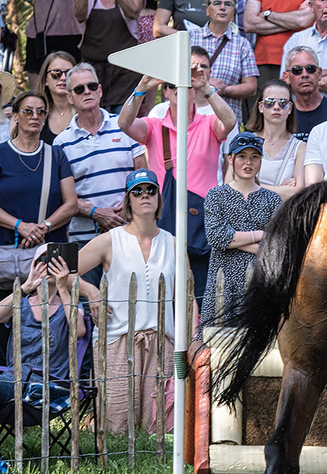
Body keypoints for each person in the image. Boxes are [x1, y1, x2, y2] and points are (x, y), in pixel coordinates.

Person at [119, 49, 238, 297]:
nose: (179, 89)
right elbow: (124, 123)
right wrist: (142, 86)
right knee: (165, 289)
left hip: (203, 218)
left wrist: (205, 87)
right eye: (173, 85)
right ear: (165, 91)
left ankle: (199, 336)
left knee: (203, 291)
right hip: (165, 216)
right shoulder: (155, 125)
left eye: (185, 85)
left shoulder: (207, 122)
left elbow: (229, 122)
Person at [76, 169, 181, 437]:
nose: (144, 195)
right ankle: (94, 422)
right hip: (117, 339)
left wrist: (190, 340)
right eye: (137, 191)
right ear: (128, 201)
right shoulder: (111, 240)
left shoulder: (174, 243)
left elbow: (186, 298)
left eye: (151, 190)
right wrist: (89, 290)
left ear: (159, 197)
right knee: (115, 427)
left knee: (158, 427)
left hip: (162, 340)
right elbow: (61, 270)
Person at [55, 62, 148, 284]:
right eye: (79, 89)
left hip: (129, 229)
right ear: (70, 97)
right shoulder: (61, 143)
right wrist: (96, 212)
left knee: (131, 303)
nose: (86, 92)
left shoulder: (125, 126)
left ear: (100, 90)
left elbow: (143, 173)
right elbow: (62, 196)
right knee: (91, 307)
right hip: (85, 239)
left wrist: (128, 206)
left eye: (91, 86)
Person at [0, 91, 78, 290]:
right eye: (27, 111)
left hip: (52, 253)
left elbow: (71, 204)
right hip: (10, 253)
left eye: (40, 112)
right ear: (15, 116)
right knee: (10, 311)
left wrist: (43, 227)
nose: (35, 116)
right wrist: (20, 226)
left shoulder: (56, 154)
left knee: (54, 314)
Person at [0, 247, 84, 421]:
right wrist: (27, 286)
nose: (48, 266)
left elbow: (79, 330)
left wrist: (63, 287)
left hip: (45, 386)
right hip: (12, 381)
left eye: (54, 261)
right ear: (32, 266)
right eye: (42, 261)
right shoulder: (20, 303)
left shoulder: (69, 304)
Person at [201, 133, 282, 330]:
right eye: (242, 156)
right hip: (222, 281)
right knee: (216, 343)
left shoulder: (273, 200)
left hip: (260, 281)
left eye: (254, 157)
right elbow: (216, 237)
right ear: (230, 159)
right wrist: (261, 235)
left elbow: (276, 247)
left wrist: (234, 239)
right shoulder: (216, 195)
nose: (248, 162)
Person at [74, 0, 144, 109]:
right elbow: (79, 16)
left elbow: (132, 12)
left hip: (126, 73)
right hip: (93, 73)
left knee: (122, 124)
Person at [185, 0, 258, 104]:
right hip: (192, 115)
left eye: (228, 4)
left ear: (233, 11)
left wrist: (223, 89)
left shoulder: (242, 45)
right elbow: (173, 74)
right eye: (217, 3)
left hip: (226, 117)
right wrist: (206, 82)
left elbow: (251, 87)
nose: (222, 7)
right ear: (207, 10)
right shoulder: (189, 38)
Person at [242, 80, 305, 199]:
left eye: (283, 102)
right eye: (269, 102)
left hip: (283, 216)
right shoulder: (245, 141)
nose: (276, 107)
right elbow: (233, 187)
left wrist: (253, 185)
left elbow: (298, 193)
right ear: (261, 107)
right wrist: (281, 189)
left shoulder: (300, 147)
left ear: (290, 108)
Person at [282, 45, 327, 137]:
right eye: (297, 70)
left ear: (319, 73)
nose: (305, 74)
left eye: (310, 69)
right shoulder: (281, 114)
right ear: (286, 77)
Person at [36, 50, 78, 142]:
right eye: (55, 73)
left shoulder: (85, 111)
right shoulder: (36, 115)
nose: (63, 78)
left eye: (68, 73)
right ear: (46, 79)